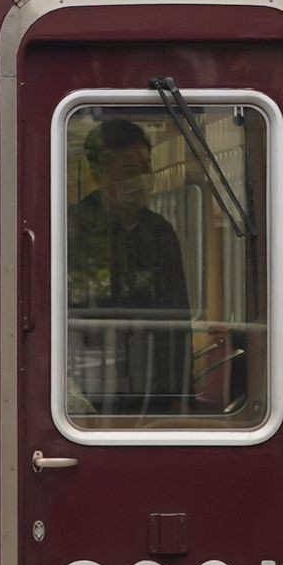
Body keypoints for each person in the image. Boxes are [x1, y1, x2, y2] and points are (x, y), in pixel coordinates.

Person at [68, 117, 191, 417]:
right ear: (99, 174)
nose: (141, 179)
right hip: (89, 383)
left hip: (154, 386)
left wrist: (181, 394)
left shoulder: (159, 232)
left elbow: (179, 318)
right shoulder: (73, 228)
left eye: (146, 168)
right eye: (128, 171)